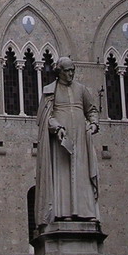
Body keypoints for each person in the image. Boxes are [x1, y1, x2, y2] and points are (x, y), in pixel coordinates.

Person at [35, 57, 100, 226]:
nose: (71, 74)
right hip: (61, 142)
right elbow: (45, 117)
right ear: (59, 71)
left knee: (82, 173)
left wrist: (93, 124)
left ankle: (86, 212)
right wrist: (57, 127)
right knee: (61, 175)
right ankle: (63, 213)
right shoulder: (50, 91)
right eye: (67, 70)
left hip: (80, 140)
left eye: (72, 70)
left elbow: (92, 110)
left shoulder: (81, 90)